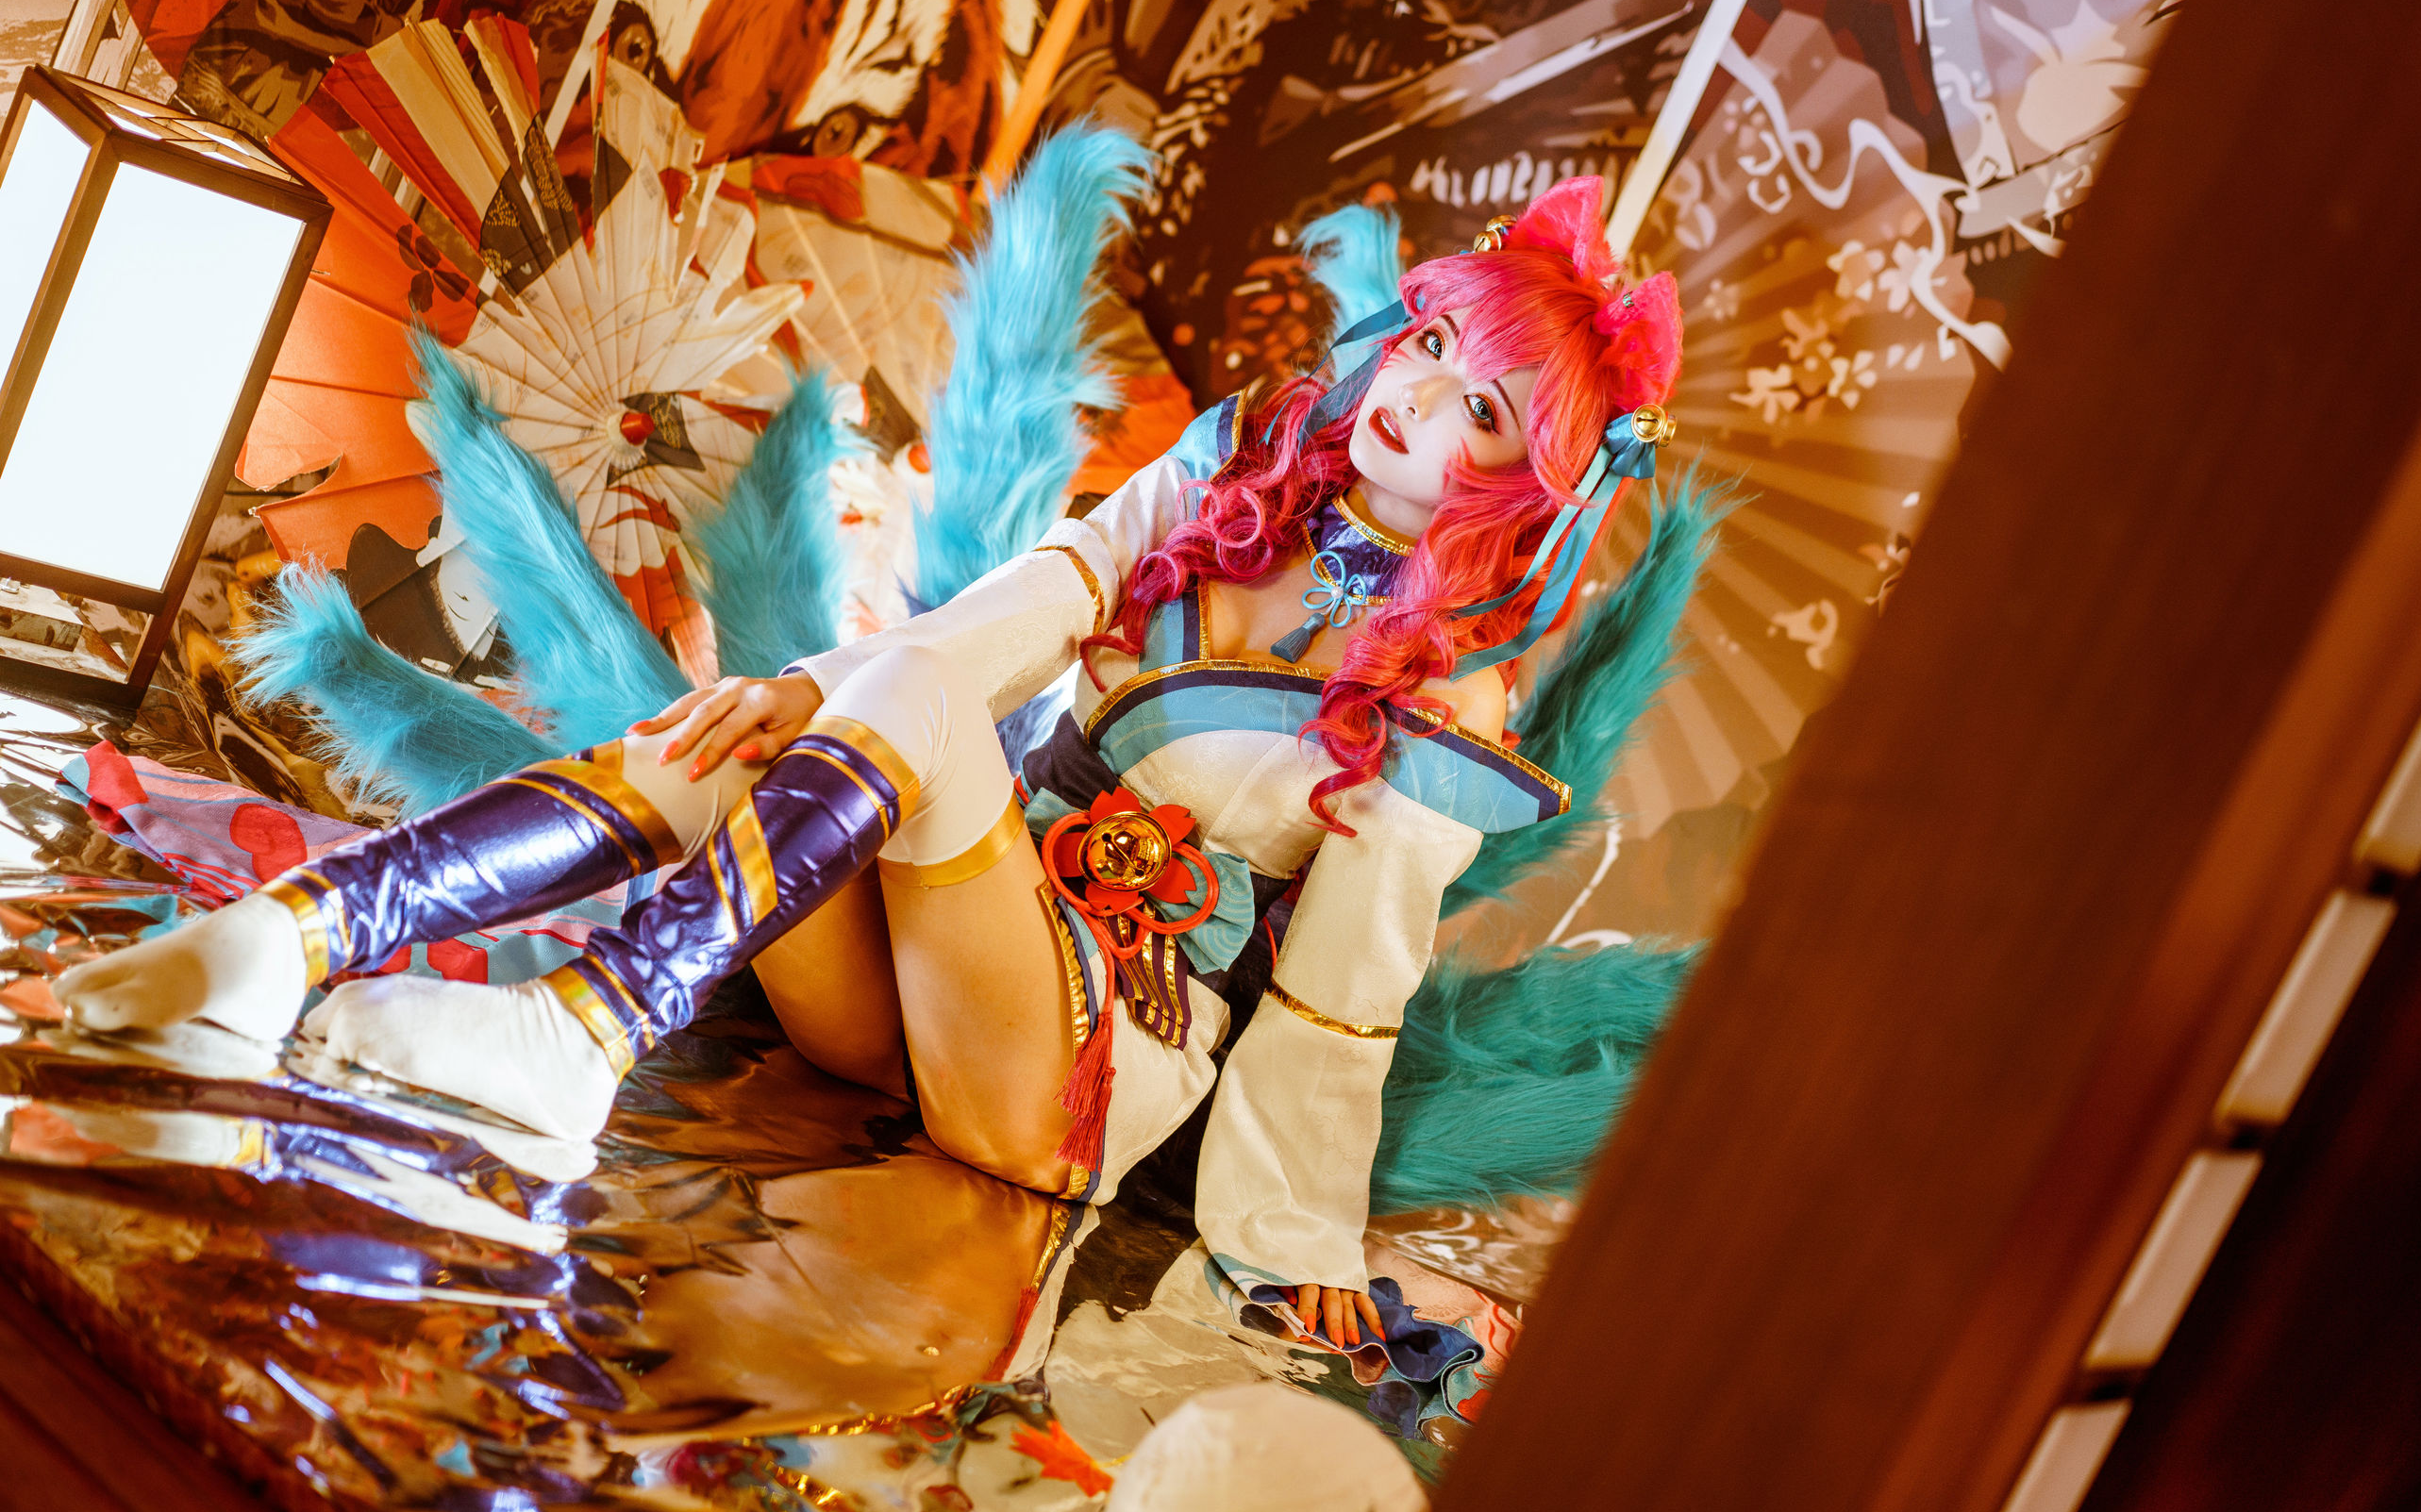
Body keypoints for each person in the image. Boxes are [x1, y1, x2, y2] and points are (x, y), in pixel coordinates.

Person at [57, 175, 1680, 1353]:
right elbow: (1008, 614)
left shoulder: (1451, 708)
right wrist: (786, 696)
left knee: (883, 693)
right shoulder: (1222, 476)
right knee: (745, 729)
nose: (1419, 398)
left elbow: (1340, 997)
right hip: (913, 980)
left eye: (1482, 412)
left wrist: (1293, 1244)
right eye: (1428, 345)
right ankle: (297, 936)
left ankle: (576, 1035)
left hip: (1078, 1071)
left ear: (1531, 485)